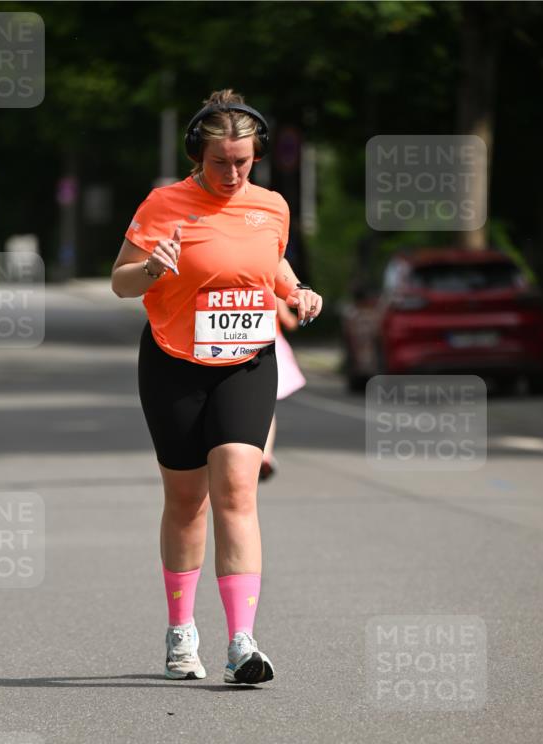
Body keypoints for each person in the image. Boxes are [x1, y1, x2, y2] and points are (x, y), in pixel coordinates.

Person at [111, 89, 322, 684]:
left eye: (243, 162)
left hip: (247, 361)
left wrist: (296, 291)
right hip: (174, 362)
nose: (232, 174)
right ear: (196, 156)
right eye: (220, 162)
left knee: (236, 490)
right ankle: (181, 631)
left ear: (257, 156)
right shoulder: (164, 204)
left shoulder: (271, 206)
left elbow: (271, 263)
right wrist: (153, 267)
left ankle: (242, 643)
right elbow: (121, 282)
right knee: (187, 502)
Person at [259, 297, 307, 480]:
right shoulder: (272, 290)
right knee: (267, 408)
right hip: (271, 344)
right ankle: (265, 455)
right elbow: (288, 321)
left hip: (241, 343)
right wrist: (298, 318)